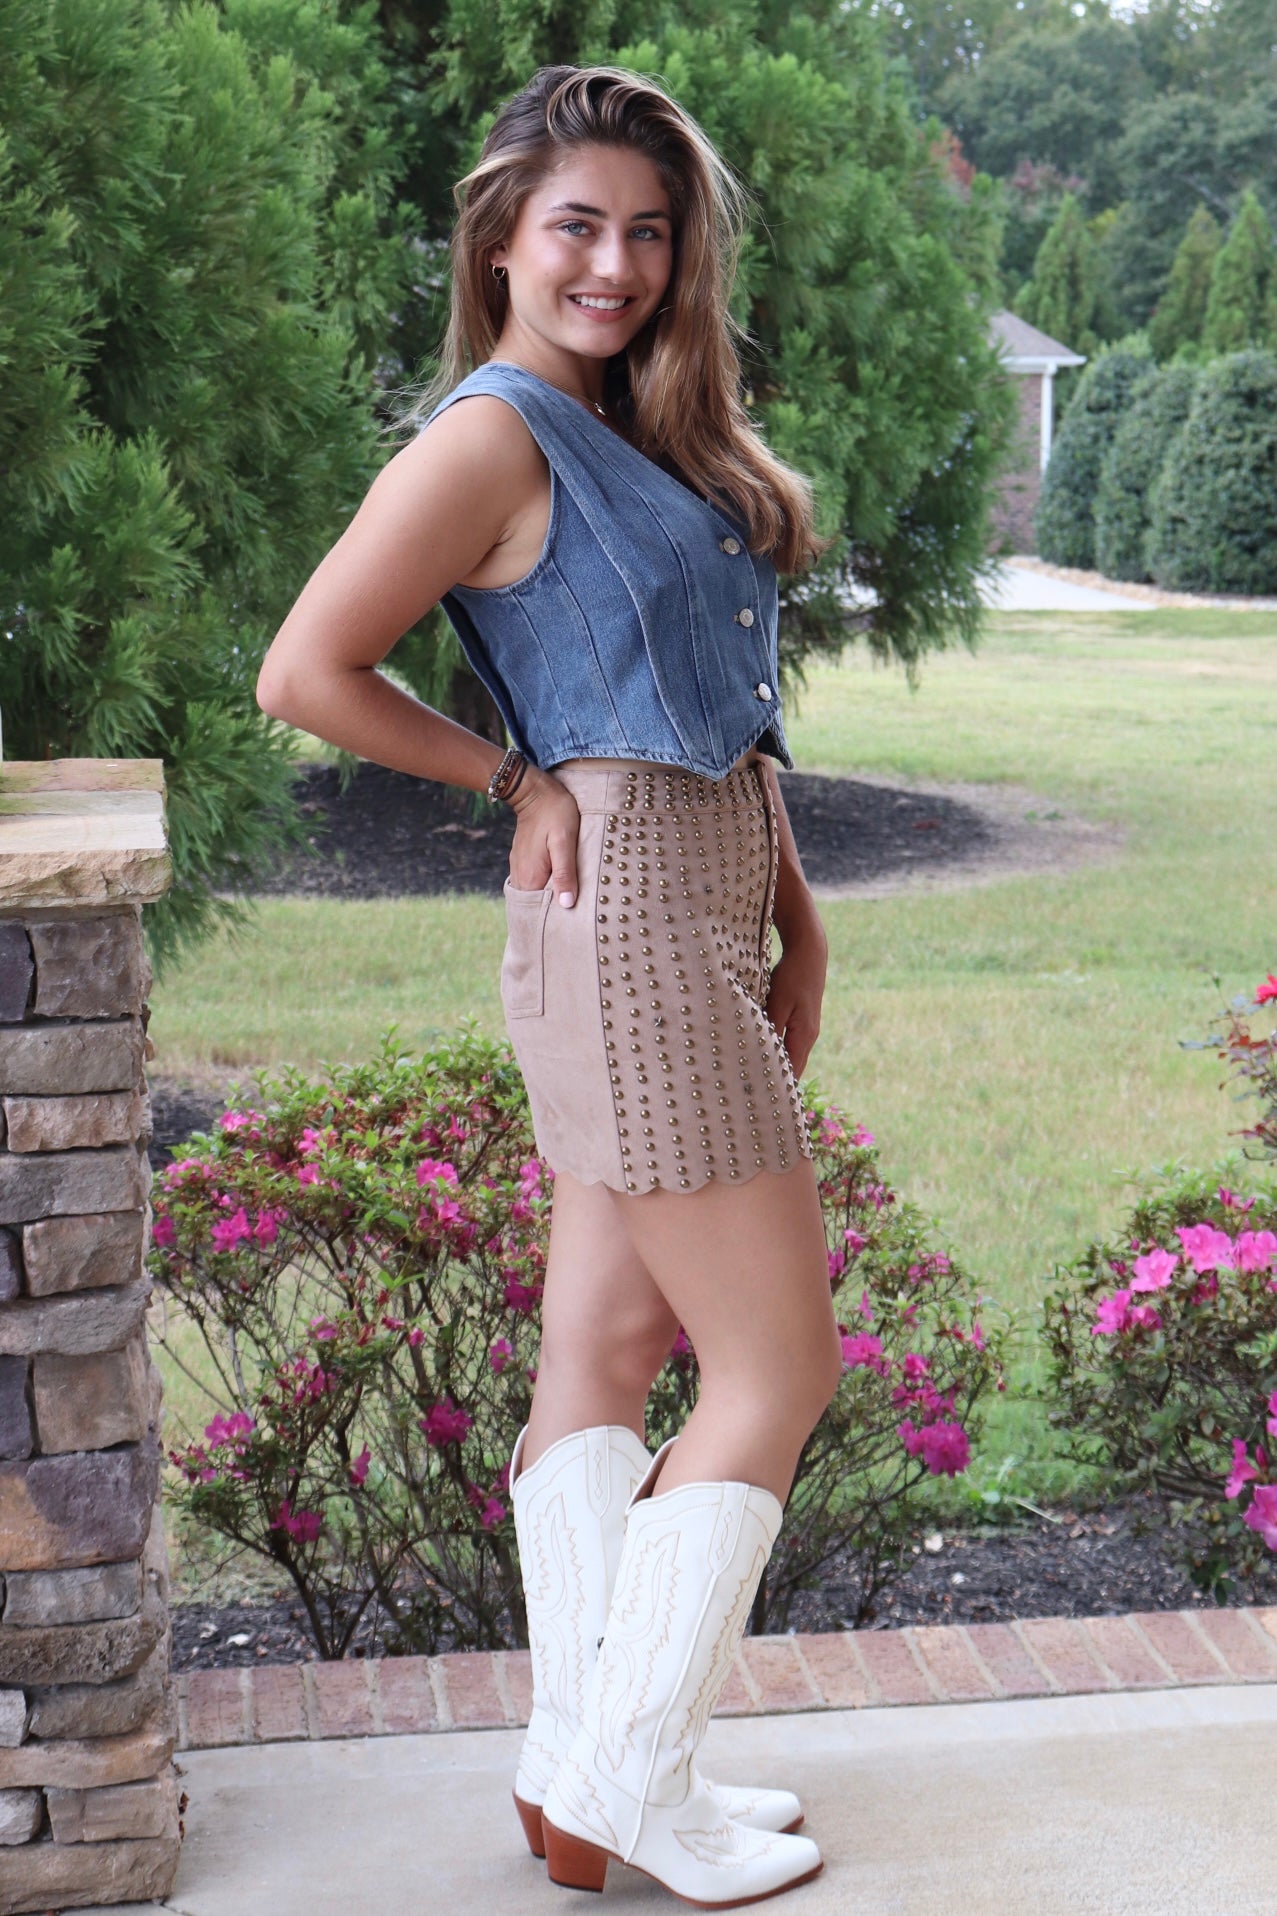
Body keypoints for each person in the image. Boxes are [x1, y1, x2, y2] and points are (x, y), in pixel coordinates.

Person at [257, 62, 843, 1908]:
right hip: (629, 916)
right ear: (500, 235)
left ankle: (567, 1769)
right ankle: (625, 1781)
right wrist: (506, 780)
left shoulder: (631, 426)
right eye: (575, 224)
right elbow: (307, 672)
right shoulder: (494, 433)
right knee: (774, 1368)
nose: (613, 262)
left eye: (647, 233)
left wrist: (795, 905)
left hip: (689, 897)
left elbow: (716, 720)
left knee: (603, 1350)